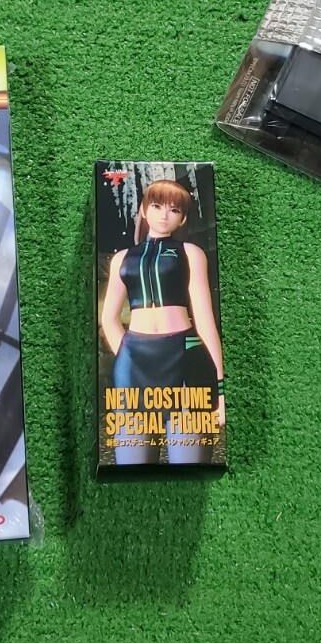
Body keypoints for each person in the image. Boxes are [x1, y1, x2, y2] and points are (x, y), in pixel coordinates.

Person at [100, 178, 224, 464]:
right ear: (144, 210)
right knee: (131, 466)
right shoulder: (122, 259)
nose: (164, 215)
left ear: (183, 219)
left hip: (185, 358)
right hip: (133, 363)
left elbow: (205, 320)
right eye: (157, 206)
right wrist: (127, 353)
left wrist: (220, 389)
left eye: (174, 210)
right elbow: (109, 318)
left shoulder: (190, 253)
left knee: (190, 464)